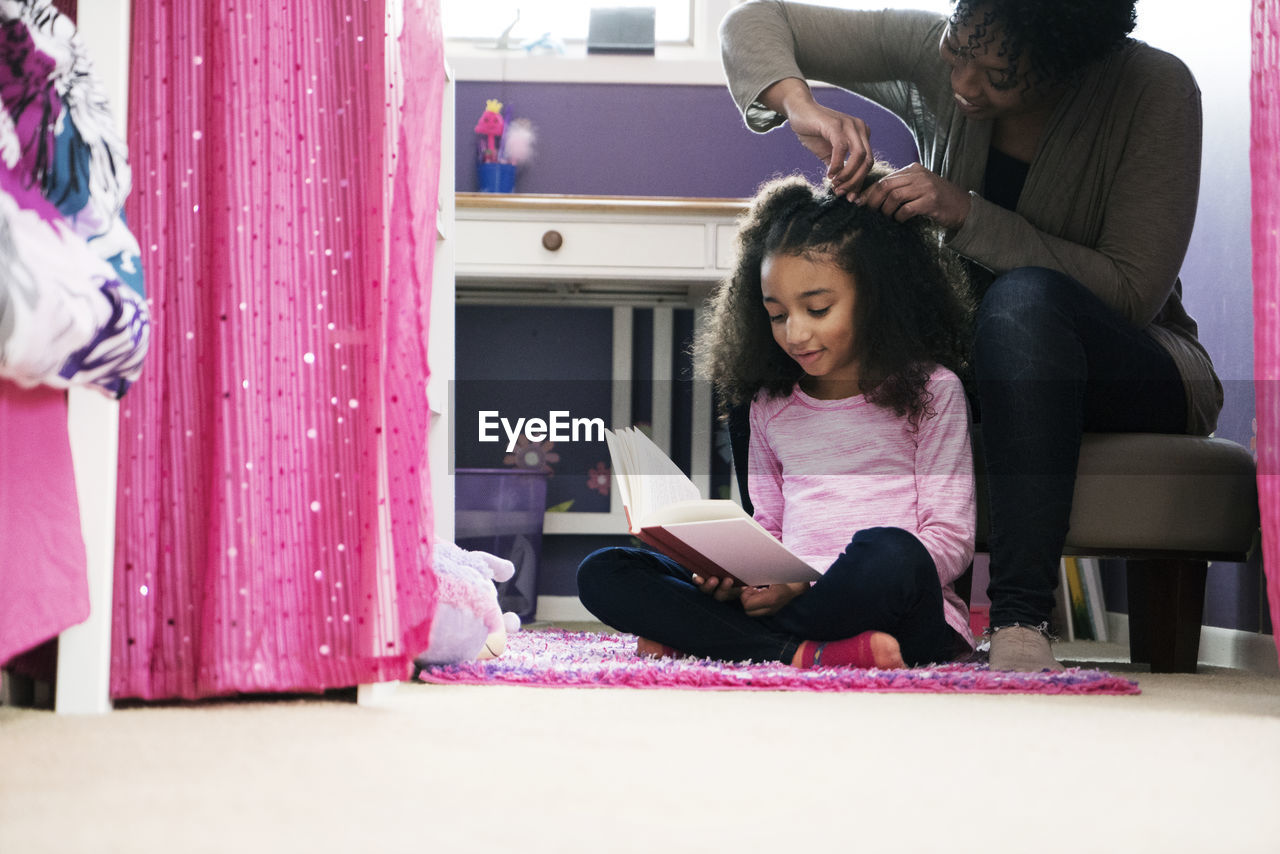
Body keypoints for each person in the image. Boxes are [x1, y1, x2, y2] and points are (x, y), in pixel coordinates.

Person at [719, 0, 1223, 671]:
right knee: (780, 335)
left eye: (998, 75)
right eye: (958, 52)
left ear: (1068, 68)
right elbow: (754, 19)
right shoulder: (944, 52)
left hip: (1134, 366)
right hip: (979, 359)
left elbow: (1131, 293)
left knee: (1021, 308)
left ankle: (1020, 618)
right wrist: (800, 103)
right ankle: (770, 588)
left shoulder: (1155, 90)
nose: (963, 84)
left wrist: (964, 214)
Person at [577, 172, 976, 669]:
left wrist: (804, 582)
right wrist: (739, 577)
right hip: (794, 606)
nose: (796, 332)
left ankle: (721, 641)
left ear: (878, 297)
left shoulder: (934, 391)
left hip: (896, 609)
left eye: (817, 308)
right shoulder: (771, 404)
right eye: (777, 314)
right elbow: (770, 529)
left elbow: (950, 541)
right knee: (606, 571)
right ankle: (803, 653)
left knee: (892, 551)